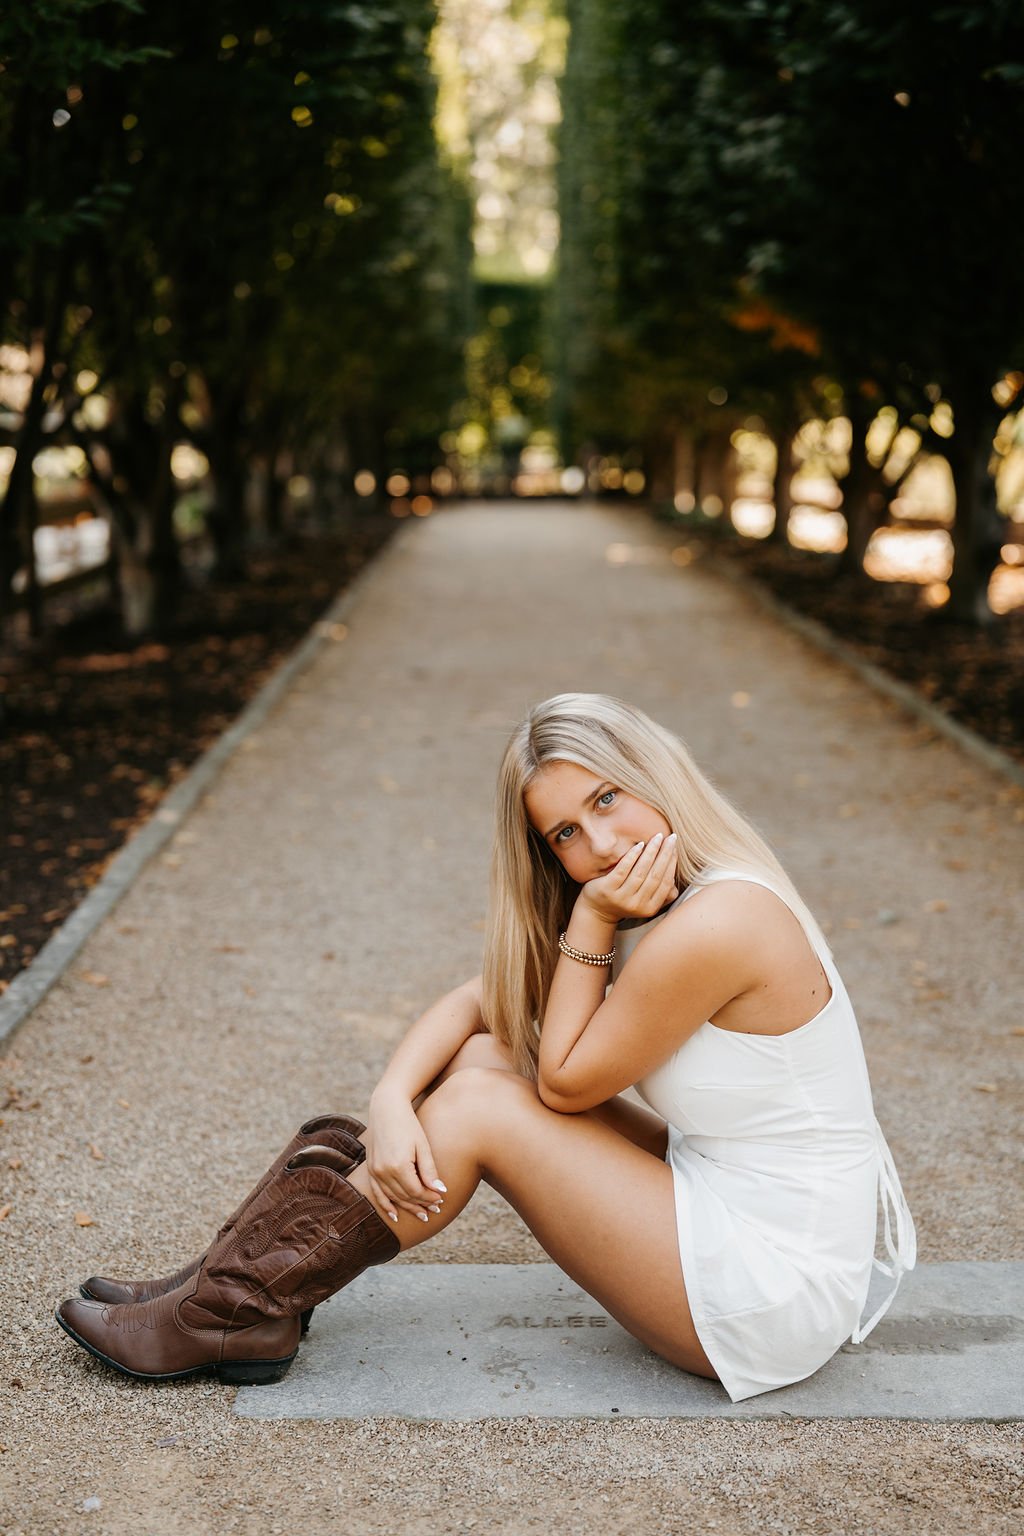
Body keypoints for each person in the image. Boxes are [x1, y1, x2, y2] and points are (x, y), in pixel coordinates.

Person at [56, 692, 915, 1401]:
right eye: (565, 835)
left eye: (607, 800)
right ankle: (225, 1286)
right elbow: (483, 1005)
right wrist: (390, 1101)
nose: (598, 845)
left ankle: (232, 1310)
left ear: (654, 776)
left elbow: (570, 1084)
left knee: (478, 1103)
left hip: (774, 1282)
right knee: (479, 1062)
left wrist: (591, 918)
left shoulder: (714, 921)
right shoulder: (668, 895)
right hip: (726, 1195)